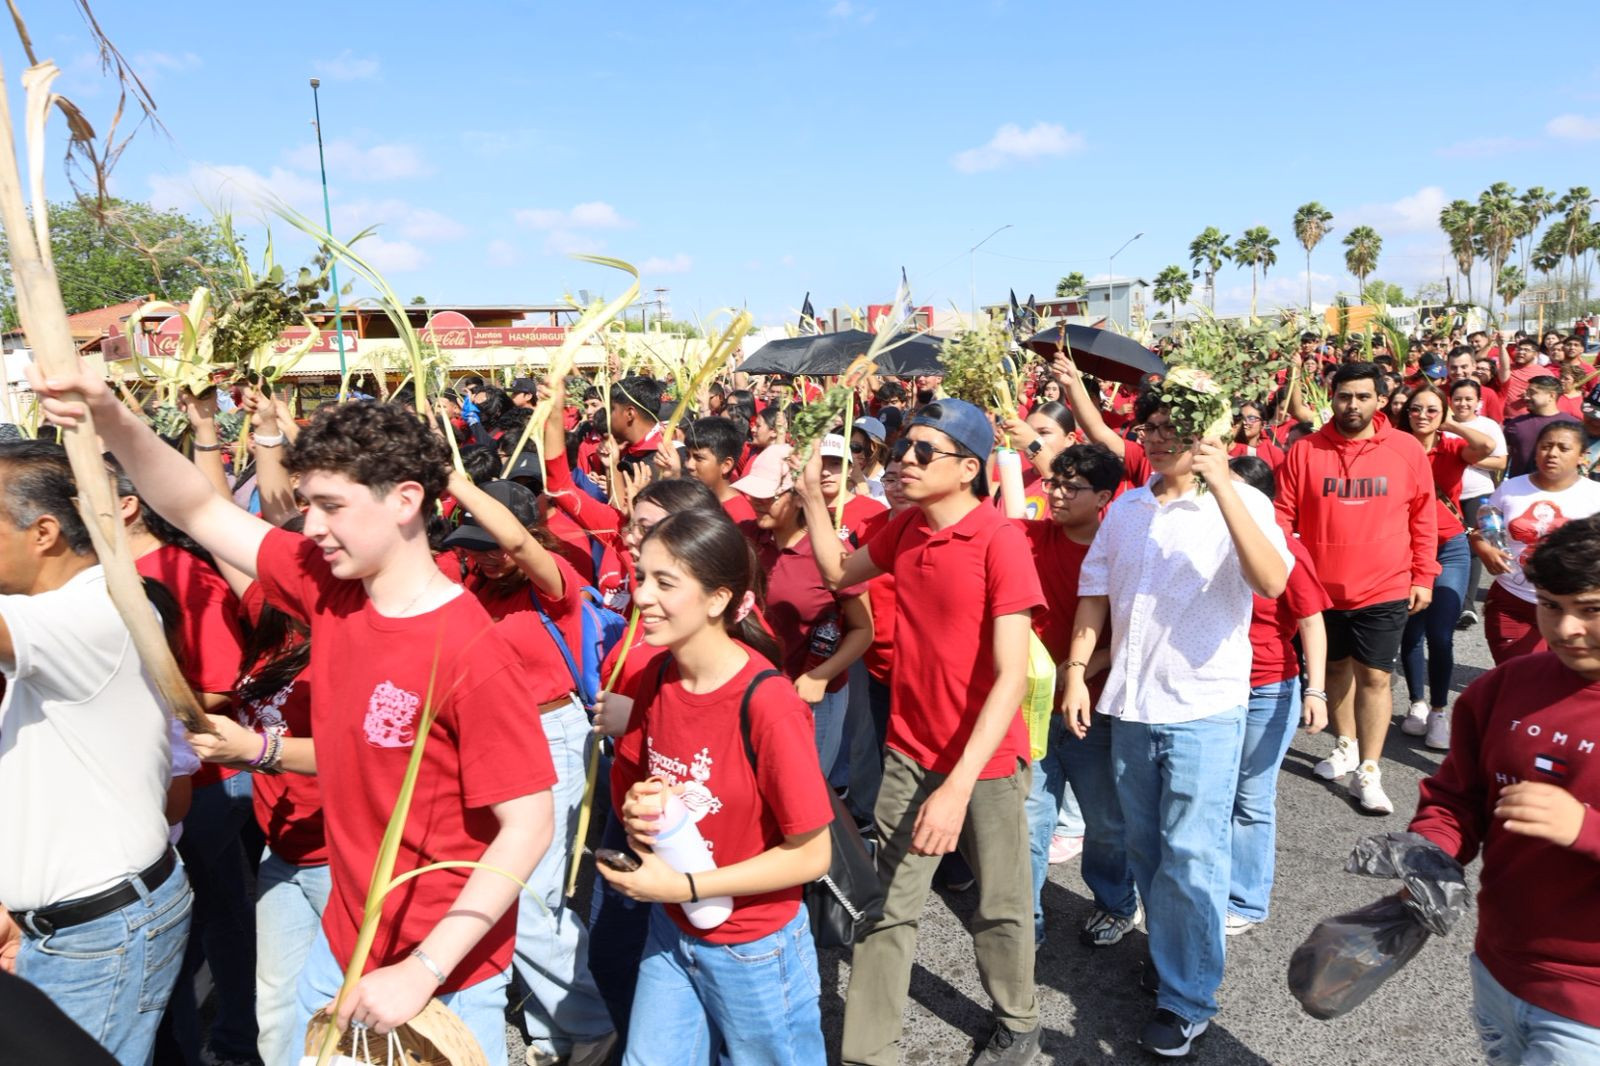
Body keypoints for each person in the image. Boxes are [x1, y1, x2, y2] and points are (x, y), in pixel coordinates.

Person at [33, 368, 558, 1066]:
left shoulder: (471, 652)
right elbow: (197, 509)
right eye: (308, 504)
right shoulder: (329, 584)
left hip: (441, 975)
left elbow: (528, 827)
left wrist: (423, 970)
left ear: (405, 502)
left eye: (331, 506)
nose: (311, 527)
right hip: (343, 940)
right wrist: (111, 417)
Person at [802, 399, 1044, 1066]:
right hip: (909, 752)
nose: (903, 461)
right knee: (886, 908)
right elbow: (837, 574)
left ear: (968, 468)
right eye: (904, 449)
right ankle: (868, 1054)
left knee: (999, 906)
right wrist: (812, 500)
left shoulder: (1000, 540)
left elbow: (1011, 677)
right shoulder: (905, 527)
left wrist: (957, 787)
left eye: (922, 453)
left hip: (985, 763)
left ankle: (1019, 1021)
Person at [1062, 403, 1290, 1058]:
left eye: (1174, 430)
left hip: (1207, 709)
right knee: (1149, 852)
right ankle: (1171, 958)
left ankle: (1187, 997)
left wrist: (1222, 485)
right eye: (1149, 430)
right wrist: (1078, 671)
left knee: (1192, 855)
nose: (1158, 441)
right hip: (1132, 705)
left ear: (1206, 432)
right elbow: (1095, 593)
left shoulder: (1241, 499)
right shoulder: (1128, 509)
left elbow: (1272, 582)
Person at [600, 510, 833, 1065]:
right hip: (671, 928)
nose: (643, 597)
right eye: (640, 577)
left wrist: (685, 886)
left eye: (665, 582)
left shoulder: (769, 704)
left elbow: (812, 855)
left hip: (755, 945)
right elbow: (630, 784)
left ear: (717, 599)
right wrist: (637, 808)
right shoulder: (651, 677)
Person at [0, 441, 194, 1066]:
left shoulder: (92, 612)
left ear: (44, 533)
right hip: (59, 926)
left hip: (96, 935)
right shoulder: (46, 603)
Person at [1408, 515, 1600, 1064]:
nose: (1565, 630)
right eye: (1550, 605)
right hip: (1498, 967)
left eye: (1591, 609)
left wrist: (1585, 828)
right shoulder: (1502, 688)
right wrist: (1428, 854)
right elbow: (1456, 799)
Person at [441, 474, 617, 1066]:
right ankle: (551, 1031)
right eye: (472, 547)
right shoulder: (473, 586)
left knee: (530, 892)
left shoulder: (554, 584)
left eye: (490, 547)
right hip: (494, 739)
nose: (483, 558)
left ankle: (589, 1023)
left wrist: (451, 480)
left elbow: (516, 545)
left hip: (553, 733)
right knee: (515, 884)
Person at [1275, 362, 1438, 815]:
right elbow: (1282, 517)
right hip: (1320, 590)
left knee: (1376, 676)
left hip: (1384, 586)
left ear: (1380, 400)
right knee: (1335, 672)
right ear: (1332, 397)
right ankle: (1344, 745)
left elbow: (1423, 517)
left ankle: (1369, 769)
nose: (1352, 405)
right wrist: (1287, 574)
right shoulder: (1305, 449)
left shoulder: (1405, 448)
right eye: (1345, 396)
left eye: (1363, 396)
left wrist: (1424, 575)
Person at [1020, 444, 1138, 949]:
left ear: (1105, 497)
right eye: (1054, 484)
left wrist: (1079, 674)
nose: (1058, 495)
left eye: (1073, 488)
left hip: (1096, 706)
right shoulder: (1026, 535)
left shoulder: (1122, 549)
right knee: (1029, 817)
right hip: (1031, 704)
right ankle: (1026, 919)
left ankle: (1116, 902)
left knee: (1106, 820)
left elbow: (1132, 631)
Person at [1226, 456, 1329, 934]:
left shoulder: (1285, 548)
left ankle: (1245, 901)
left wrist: (1317, 691)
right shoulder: (1208, 541)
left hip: (1269, 687)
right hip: (1213, 688)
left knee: (1250, 797)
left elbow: (1310, 622)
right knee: (1212, 795)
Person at [742, 445, 873, 771]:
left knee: (804, 791)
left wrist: (820, 676)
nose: (756, 502)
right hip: (754, 689)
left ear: (800, 496)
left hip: (812, 698)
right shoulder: (746, 537)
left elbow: (863, 629)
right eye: (752, 493)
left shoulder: (830, 553)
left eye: (768, 495)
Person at [1394, 384, 1498, 750]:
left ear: (1443, 413)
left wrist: (1451, 424)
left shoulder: (1452, 445)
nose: (1422, 415)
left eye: (1431, 410)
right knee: (1411, 632)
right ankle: (1417, 704)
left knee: (1440, 633)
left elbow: (1486, 448)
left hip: (1450, 547)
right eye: (1415, 409)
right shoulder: (1393, 446)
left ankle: (1439, 711)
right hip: (1405, 549)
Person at [1474, 421, 1600, 664]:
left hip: (1575, 609)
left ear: (1583, 456)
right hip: (1513, 602)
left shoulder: (1595, 496)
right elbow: (1484, 531)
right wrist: (1484, 549)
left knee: (1566, 687)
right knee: (1520, 683)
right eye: (1546, 446)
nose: (1552, 453)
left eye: (1563, 448)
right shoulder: (1510, 489)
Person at [1448, 379, 1507, 630]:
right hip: (1446, 497)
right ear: (1450, 400)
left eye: (1468, 399)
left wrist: (1467, 460)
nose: (1463, 403)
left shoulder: (1487, 426)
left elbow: (1500, 462)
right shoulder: (1442, 423)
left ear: (1478, 402)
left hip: (1477, 495)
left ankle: (1467, 605)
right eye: (1458, 398)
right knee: (1446, 548)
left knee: (1474, 548)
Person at [682, 416, 759, 539]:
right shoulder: (693, 497)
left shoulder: (740, 517)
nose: (689, 465)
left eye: (699, 458)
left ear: (726, 465)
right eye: (687, 456)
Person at [1503, 376, 1580, 479]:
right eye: (1527, 393)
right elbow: (1504, 458)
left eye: (1532, 393)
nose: (1526, 397)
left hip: (1560, 490)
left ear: (1551, 396)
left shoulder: (1573, 425)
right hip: (1520, 489)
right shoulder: (1516, 424)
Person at [1495, 337, 1548, 417]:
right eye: (1519, 349)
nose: (1521, 352)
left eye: (1526, 350)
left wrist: (1533, 395)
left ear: (1535, 354)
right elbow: (1503, 366)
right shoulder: (1508, 368)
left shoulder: (1544, 373)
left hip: (1532, 418)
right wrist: (1501, 345)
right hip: (1506, 419)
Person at [1228, 400, 1284, 470]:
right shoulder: (1228, 447)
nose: (1245, 422)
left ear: (1263, 425)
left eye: (1251, 418)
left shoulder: (1273, 452)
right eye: (1241, 418)